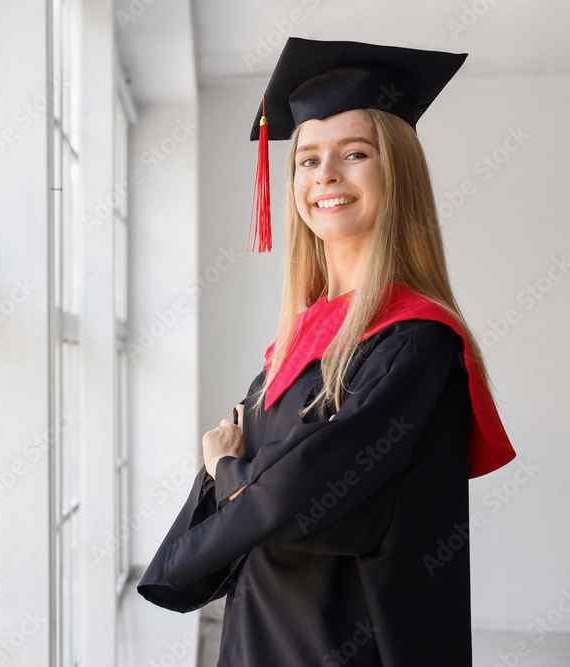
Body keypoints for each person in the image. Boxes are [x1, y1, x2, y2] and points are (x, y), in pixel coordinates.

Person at [137, 37, 518, 666]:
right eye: (307, 160)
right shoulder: (297, 340)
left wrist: (226, 469)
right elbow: (277, 485)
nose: (326, 177)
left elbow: (309, 499)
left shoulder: (414, 341)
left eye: (355, 154)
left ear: (396, 171)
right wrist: (248, 477)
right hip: (260, 631)